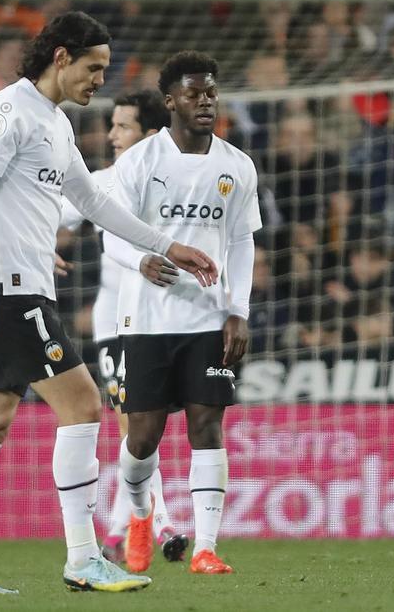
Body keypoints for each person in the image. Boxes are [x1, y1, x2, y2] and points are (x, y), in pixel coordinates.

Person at [0, 11, 217, 596]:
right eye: (93, 68)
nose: (98, 81)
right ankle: (83, 556)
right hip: (9, 291)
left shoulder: (54, 122)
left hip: (22, 286)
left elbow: (91, 200)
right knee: (83, 405)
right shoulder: (8, 113)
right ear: (61, 57)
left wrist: (169, 245)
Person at [103, 51, 260, 576]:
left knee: (207, 425)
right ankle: (142, 517)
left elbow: (241, 241)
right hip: (147, 320)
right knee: (142, 437)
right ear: (170, 101)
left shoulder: (237, 166)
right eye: (194, 94)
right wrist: (141, 257)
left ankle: (207, 548)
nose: (205, 101)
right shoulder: (139, 162)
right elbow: (111, 235)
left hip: (208, 320)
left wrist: (238, 308)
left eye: (211, 92)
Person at [57, 90, 188, 565]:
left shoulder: (177, 183)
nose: (111, 134)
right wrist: (39, 246)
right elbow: (53, 216)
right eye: (112, 125)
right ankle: (165, 522)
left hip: (168, 320)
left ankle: (116, 528)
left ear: (151, 135)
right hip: (116, 320)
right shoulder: (102, 182)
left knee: (146, 428)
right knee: (133, 422)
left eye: (123, 126)